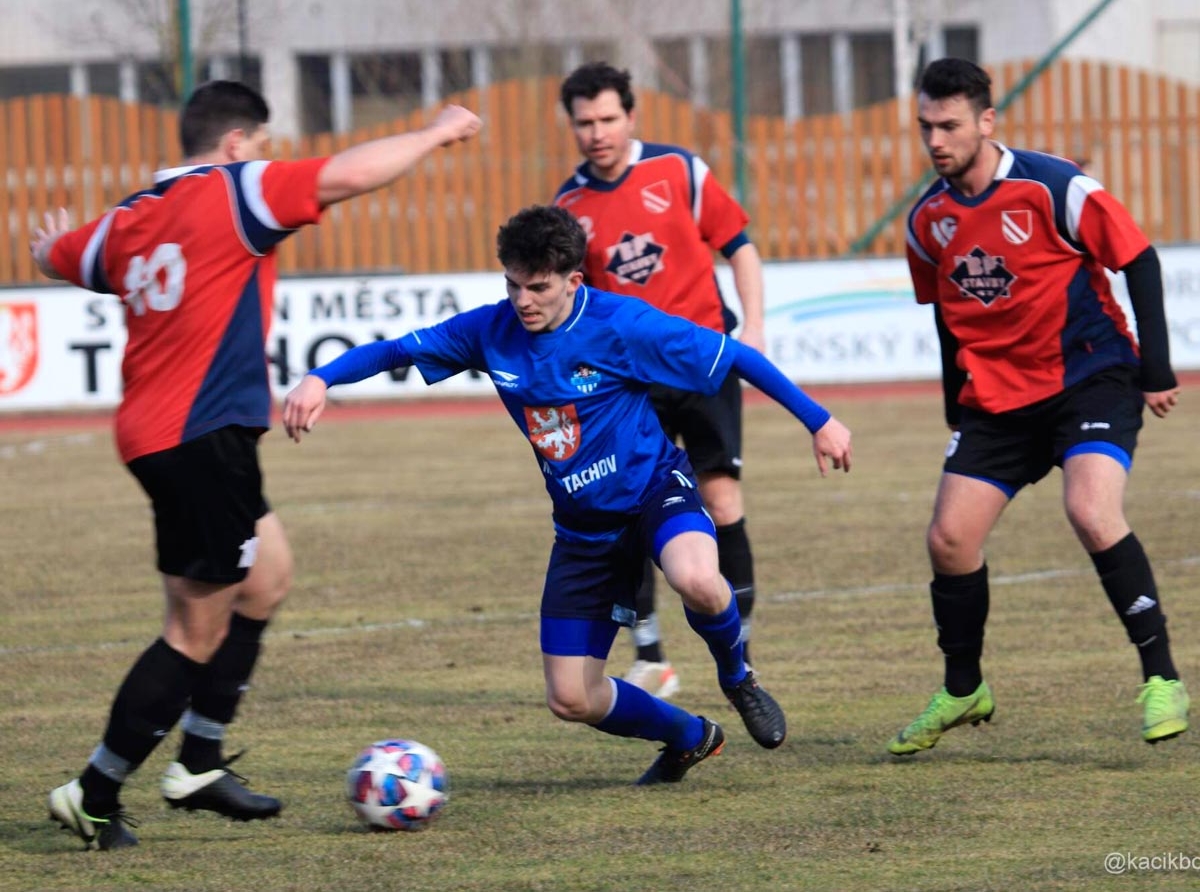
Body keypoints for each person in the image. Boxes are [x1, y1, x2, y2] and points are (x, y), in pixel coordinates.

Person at [31, 80, 482, 849]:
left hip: (166, 435)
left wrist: (46, 251)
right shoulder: (234, 191)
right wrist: (437, 131)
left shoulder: (125, 222)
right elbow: (349, 173)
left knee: (267, 575)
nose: (268, 157)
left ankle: (198, 764)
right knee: (192, 630)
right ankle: (96, 790)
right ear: (236, 143)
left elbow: (62, 257)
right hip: (198, 440)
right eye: (263, 145)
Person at [282, 205, 852, 785]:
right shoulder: (490, 330)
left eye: (537, 287)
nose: (522, 299)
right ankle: (689, 736)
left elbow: (735, 357)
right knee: (571, 698)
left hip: (655, 492)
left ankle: (738, 678)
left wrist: (819, 420)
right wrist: (319, 378)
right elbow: (395, 351)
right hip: (583, 531)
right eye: (512, 284)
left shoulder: (621, 324)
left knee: (699, 579)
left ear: (573, 281)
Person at [889, 57, 1189, 756]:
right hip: (997, 399)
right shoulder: (926, 220)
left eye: (950, 125)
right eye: (926, 126)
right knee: (949, 539)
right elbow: (943, 315)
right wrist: (952, 405)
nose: (936, 140)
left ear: (986, 122)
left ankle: (1162, 677)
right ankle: (964, 688)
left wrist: (1155, 367)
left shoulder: (1052, 185)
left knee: (1090, 509)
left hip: (1090, 376)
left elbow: (1138, 259)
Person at [553, 62, 766, 699]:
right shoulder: (568, 206)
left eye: (608, 119)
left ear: (631, 116)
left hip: (702, 360)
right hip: (627, 383)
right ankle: (649, 653)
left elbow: (740, 244)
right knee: (627, 507)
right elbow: (571, 305)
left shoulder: (679, 171)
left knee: (721, 499)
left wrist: (752, 328)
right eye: (585, 122)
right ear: (573, 126)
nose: (597, 133)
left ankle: (741, 655)